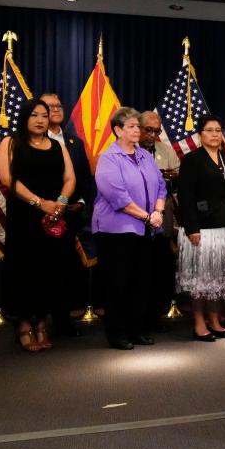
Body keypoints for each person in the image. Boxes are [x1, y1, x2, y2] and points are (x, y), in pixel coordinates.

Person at [0, 99, 76, 352]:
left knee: (49, 271)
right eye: (35, 115)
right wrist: (39, 202)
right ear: (25, 118)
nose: (41, 120)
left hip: (53, 216)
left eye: (45, 115)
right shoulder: (11, 142)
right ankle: (22, 325)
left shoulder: (57, 145)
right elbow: (7, 178)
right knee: (23, 271)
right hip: (24, 217)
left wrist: (60, 203)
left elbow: (70, 178)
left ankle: (42, 322)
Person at [93, 107, 167, 350]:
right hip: (116, 232)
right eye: (132, 127)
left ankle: (137, 330)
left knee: (141, 282)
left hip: (147, 229)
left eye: (138, 126)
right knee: (118, 283)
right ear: (117, 130)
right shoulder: (109, 158)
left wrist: (159, 212)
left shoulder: (145, 156)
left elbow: (161, 187)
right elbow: (118, 197)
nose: (138, 131)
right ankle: (117, 333)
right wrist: (148, 217)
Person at [176, 115, 225, 341]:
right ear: (200, 135)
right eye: (209, 130)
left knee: (217, 278)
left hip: (223, 229)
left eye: (218, 130)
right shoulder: (191, 160)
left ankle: (215, 320)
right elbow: (186, 195)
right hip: (199, 230)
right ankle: (199, 323)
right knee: (200, 279)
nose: (214, 134)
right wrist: (192, 227)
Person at [41, 92, 94, 337]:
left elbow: (84, 177)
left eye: (58, 105)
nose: (56, 109)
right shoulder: (35, 141)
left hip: (71, 215)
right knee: (44, 271)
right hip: (43, 215)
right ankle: (38, 322)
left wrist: (82, 201)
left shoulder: (74, 142)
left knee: (65, 271)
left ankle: (63, 322)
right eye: (49, 106)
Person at [139, 110, 181, 330]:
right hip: (137, 219)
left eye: (157, 131)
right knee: (140, 270)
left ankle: (155, 315)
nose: (152, 135)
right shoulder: (131, 149)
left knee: (160, 268)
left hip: (163, 217)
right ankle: (138, 317)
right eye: (148, 130)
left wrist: (173, 176)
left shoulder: (165, 150)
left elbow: (178, 175)